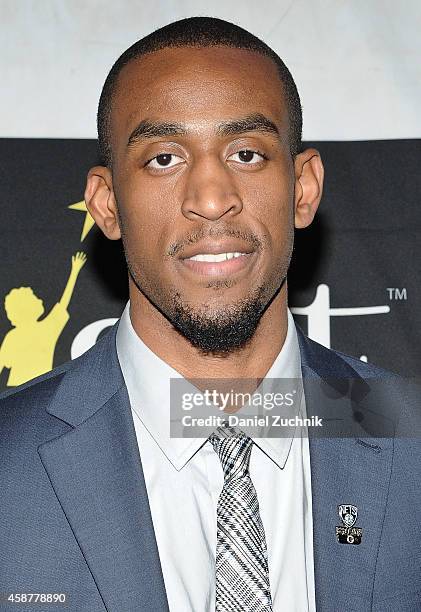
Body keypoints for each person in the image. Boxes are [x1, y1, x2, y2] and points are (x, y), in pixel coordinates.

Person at [0, 16, 420, 612]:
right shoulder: (8, 464)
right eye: (165, 158)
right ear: (107, 204)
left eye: (246, 153)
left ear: (302, 188)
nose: (210, 197)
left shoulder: (410, 437)